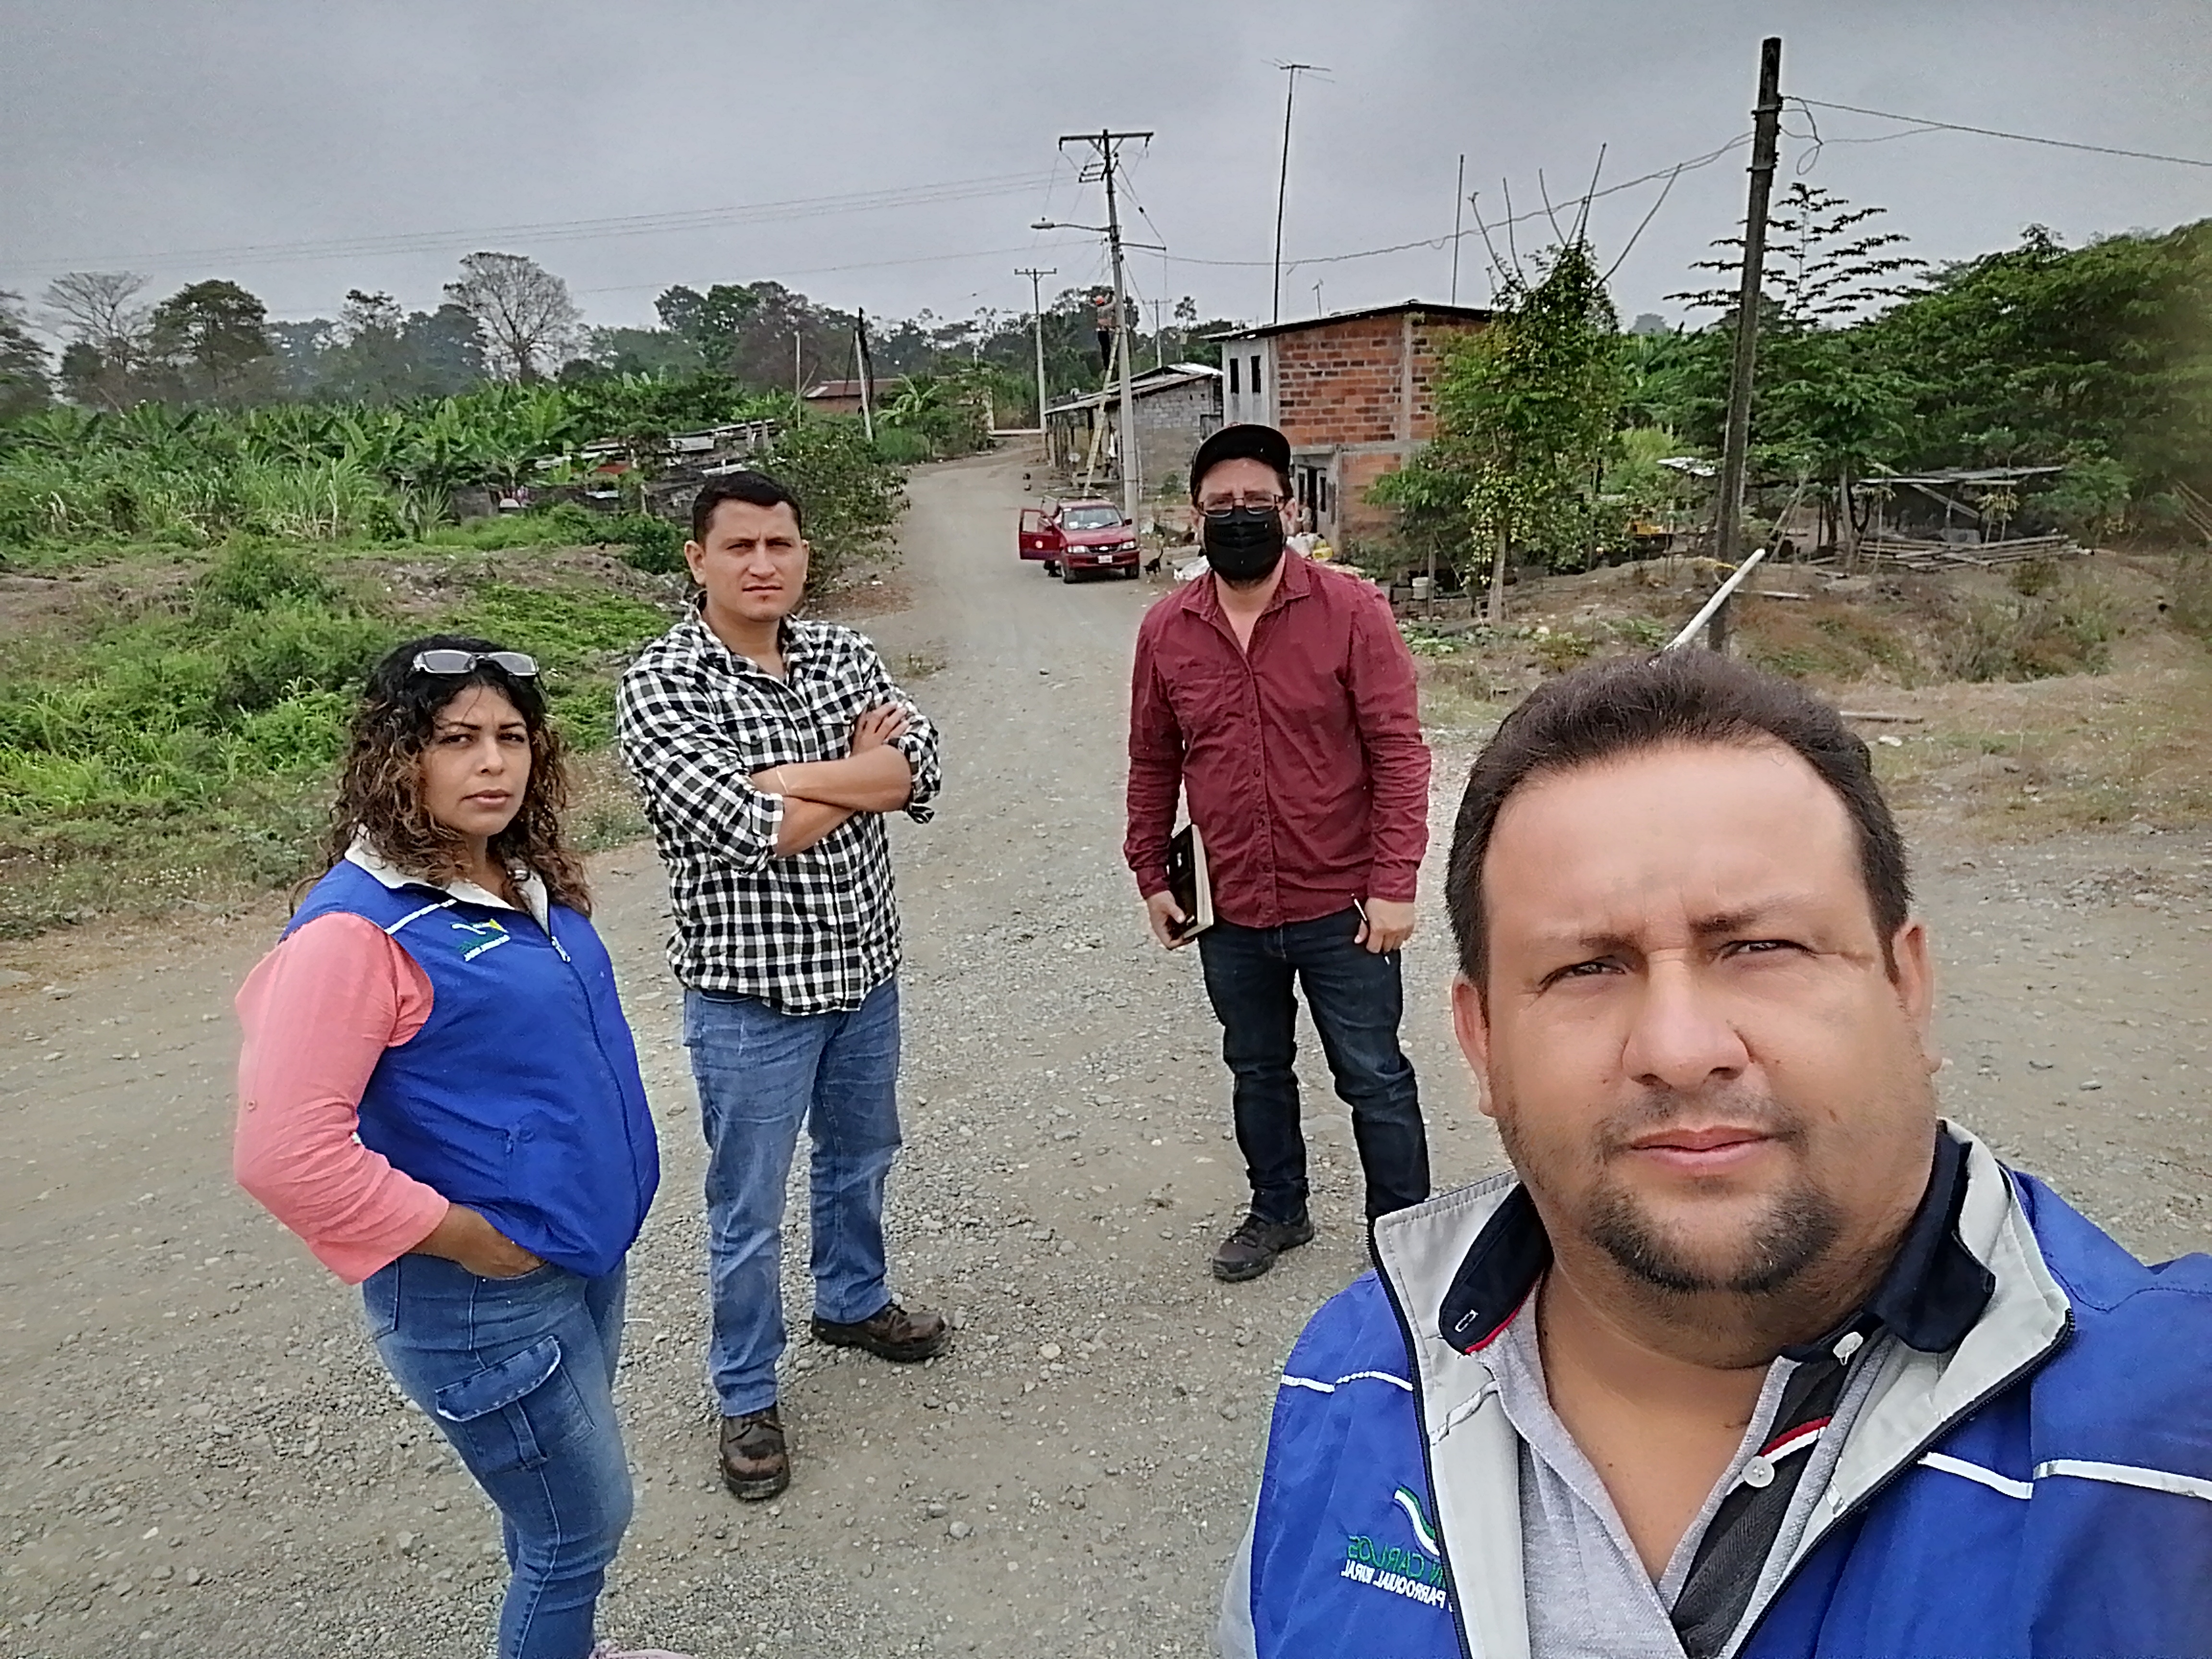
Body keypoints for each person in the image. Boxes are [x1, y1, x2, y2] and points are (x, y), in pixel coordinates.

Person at [1219, 649, 2212, 1659]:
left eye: (1761, 948)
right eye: (1586, 968)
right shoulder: (1353, 1381)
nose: (1681, 1048)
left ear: (1906, 987)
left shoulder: (2166, 1454)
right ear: (1481, 1043)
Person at [233, 637, 682, 1659]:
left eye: (512, 737)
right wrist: (466, 1237)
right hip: (483, 1293)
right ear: (399, 757)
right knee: (575, 1531)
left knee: (556, 1511)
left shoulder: (516, 877)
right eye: (456, 739)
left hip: (576, 1256)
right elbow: (284, 1152)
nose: (493, 763)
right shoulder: (357, 931)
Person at [615, 470, 946, 1504]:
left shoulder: (845, 652)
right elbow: (747, 829)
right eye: (741, 546)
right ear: (698, 560)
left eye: (781, 545)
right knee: (747, 1206)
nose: (763, 564)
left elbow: (918, 771)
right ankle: (747, 1392)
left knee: (861, 1158)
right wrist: (852, 776)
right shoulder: (665, 683)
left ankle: (852, 1301)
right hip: (747, 997)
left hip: (863, 971)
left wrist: (790, 779)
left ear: (804, 553)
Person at [1125, 423, 1434, 1282]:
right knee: (1257, 1068)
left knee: (1374, 1075)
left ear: (1290, 511)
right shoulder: (1167, 630)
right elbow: (1153, 759)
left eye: (1256, 501)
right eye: (1221, 503)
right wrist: (1151, 873)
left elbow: (1399, 753)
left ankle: (1407, 1239)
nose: (1240, 516)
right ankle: (1278, 1211)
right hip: (1230, 904)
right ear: (1194, 518)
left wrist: (1395, 882)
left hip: (1345, 903)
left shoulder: (1352, 612)